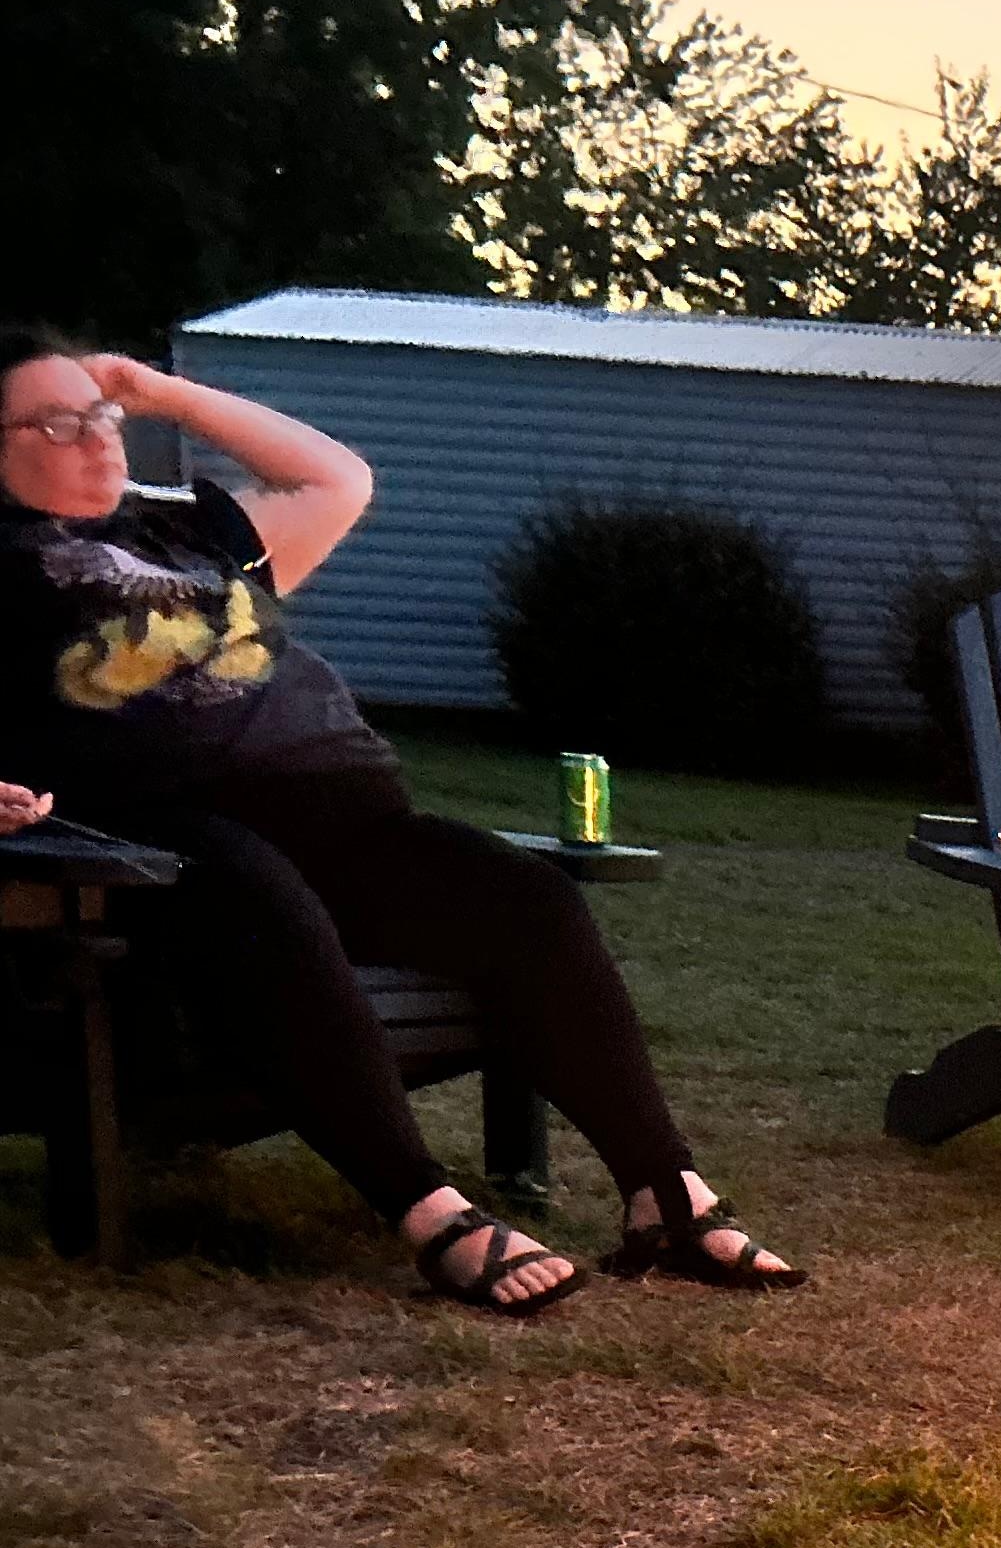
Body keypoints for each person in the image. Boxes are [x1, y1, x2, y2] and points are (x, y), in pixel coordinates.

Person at [0, 328, 803, 1309]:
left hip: (349, 824)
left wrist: (162, 391)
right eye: (58, 420)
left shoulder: (189, 532)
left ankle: (665, 1198)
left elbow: (334, 479)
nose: (97, 435)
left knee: (525, 898)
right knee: (261, 893)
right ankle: (432, 1214)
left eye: (102, 413)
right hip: (176, 842)